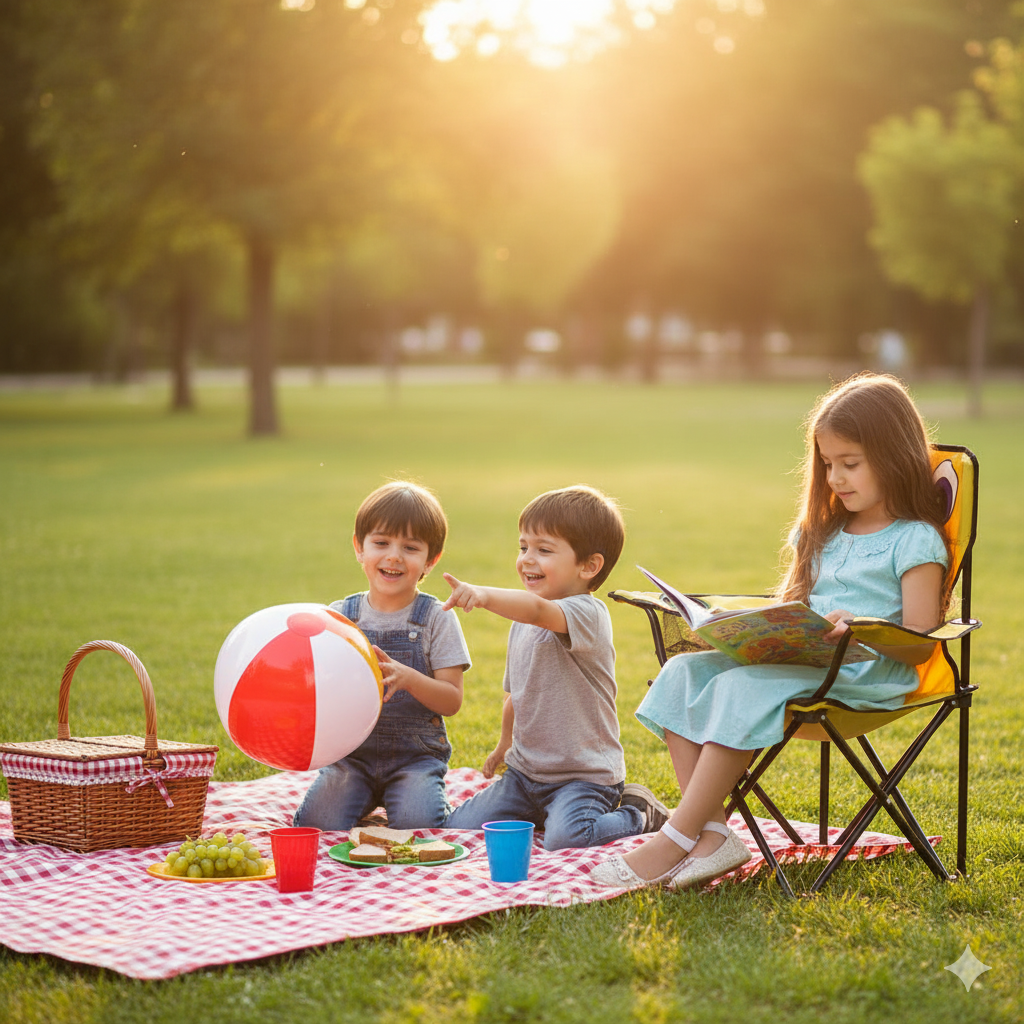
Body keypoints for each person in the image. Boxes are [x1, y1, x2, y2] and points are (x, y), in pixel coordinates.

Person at [591, 373, 951, 890]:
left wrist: (861, 629)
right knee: (682, 672)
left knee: (740, 687)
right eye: (828, 464)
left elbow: (919, 641)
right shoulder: (824, 532)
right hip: (805, 664)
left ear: (894, 456)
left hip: (865, 676)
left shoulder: (915, 540)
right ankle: (715, 836)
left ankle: (677, 836)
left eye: (850, 464)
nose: (836, 478)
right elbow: (793, 607)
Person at [442, 485, 668, 851]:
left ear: (589, 566)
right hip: (525, 775)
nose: (527, 559)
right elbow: (517, 694)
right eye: (523, 547)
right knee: (459, 829)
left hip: (584, 778)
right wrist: (503, 745)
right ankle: (542, 810)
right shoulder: (522, 619)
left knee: (568, 839)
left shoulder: (586, 613)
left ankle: (640, 811)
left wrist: (482, 595)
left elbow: (537, 611)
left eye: (543, 550)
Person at [293, 481, 471, 831]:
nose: (393, 556)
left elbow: (451, 700)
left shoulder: (437, 618)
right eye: (381, 543)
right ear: (359, 548)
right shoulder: (341, 617)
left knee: (420, 825)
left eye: (410, 547)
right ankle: (361, 799)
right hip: (351, 758)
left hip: (414, 759)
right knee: (318, 825)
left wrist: (410, 679)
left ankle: (403, 798)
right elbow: (320, 688)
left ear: (430, 561)